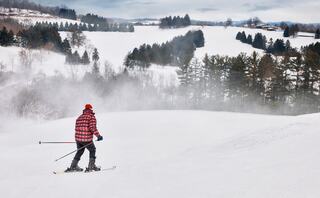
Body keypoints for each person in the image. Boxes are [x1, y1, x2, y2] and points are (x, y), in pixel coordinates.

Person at [66, 104, 103, 172]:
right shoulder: (91, 117)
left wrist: (79, 138)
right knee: (92, 150)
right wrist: (99, 136)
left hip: (78, 139)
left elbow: (76, 128)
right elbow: (92, 128)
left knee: (80, 151)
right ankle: (91, 166)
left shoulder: (79, 117)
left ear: (85, 109)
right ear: (91, 109)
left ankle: (73, 166)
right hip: (87, 139)